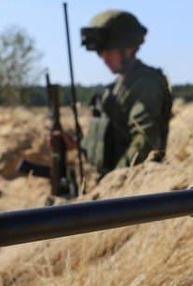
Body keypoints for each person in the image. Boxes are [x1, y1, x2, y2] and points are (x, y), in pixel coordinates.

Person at [73, 9, 172, 181]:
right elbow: (109, 142)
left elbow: (144, 143)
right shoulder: (117, 87)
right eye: (100, 52)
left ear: (129, 48)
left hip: (134, 186)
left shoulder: (145, 84)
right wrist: (76, 144)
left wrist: (113, 182)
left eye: (109, 51)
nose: (104, 58)